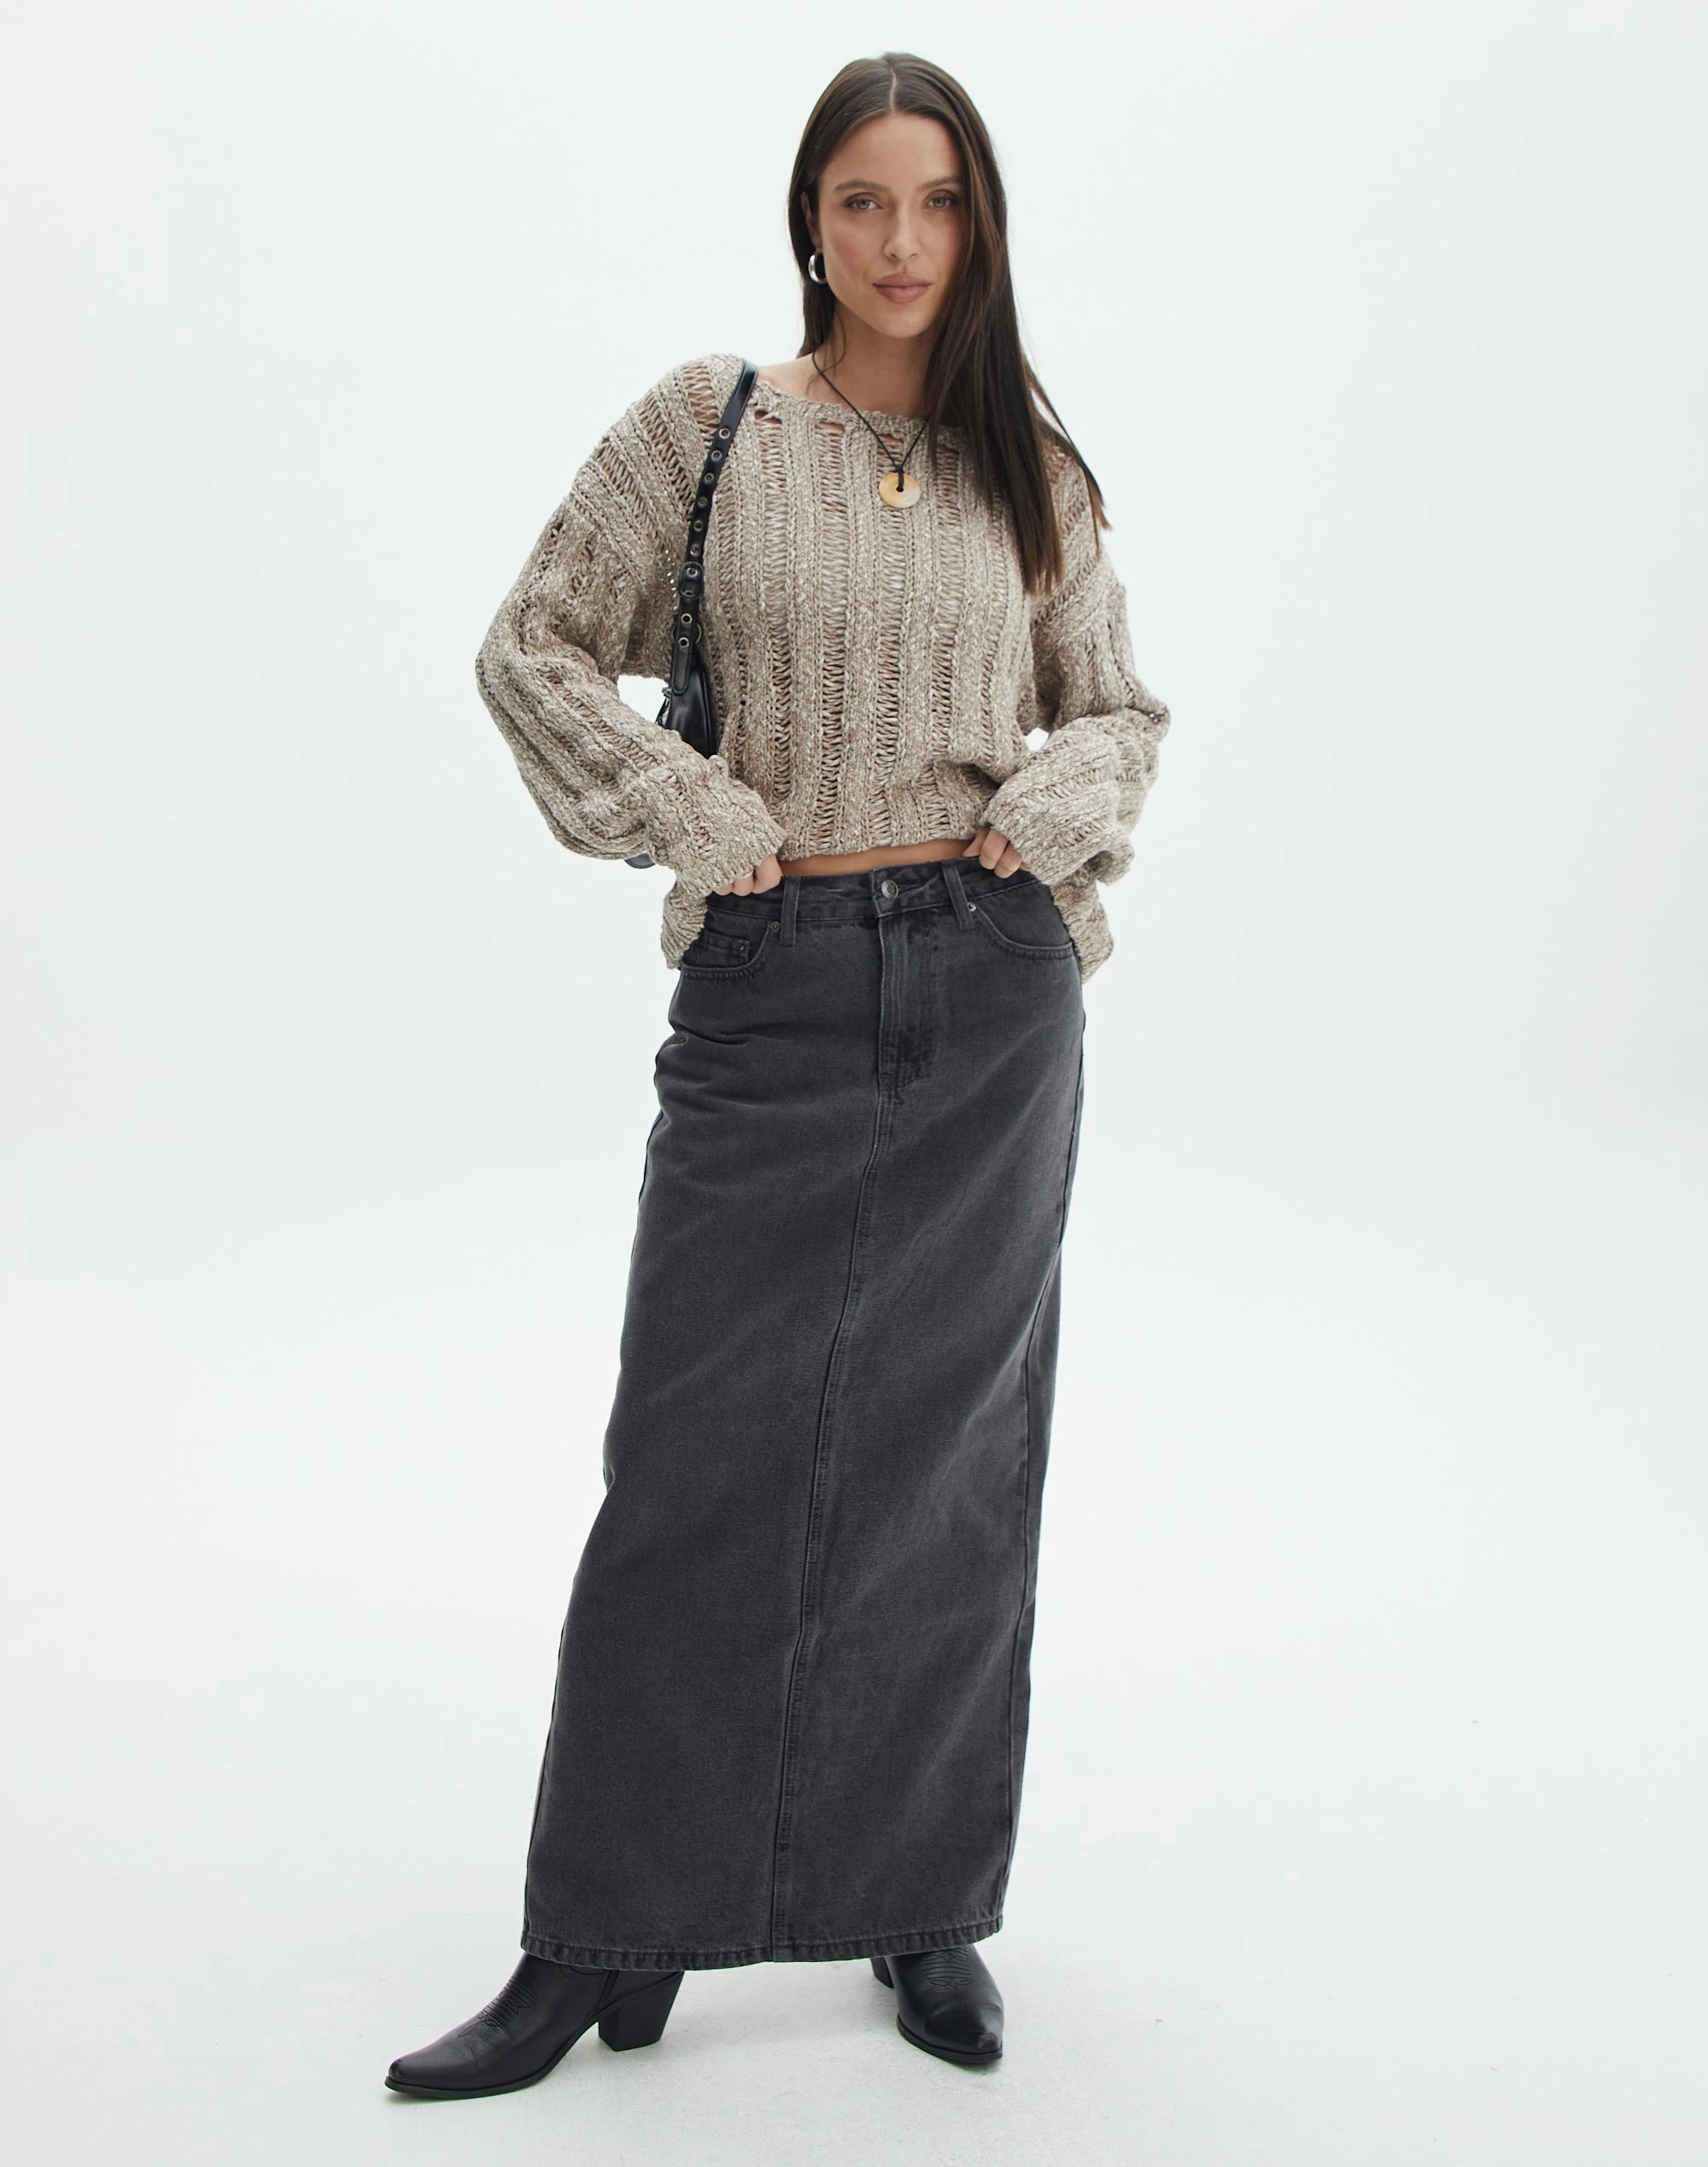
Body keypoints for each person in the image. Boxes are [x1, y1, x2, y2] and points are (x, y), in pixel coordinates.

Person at [385, 49, 1171, 2099]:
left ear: (980, 224)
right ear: (807, 220)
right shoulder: (710, 424)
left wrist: (1051, 806)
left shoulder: (1032, 463)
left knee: (947, 1465)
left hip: (991, 995)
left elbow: (1120, 712)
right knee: (691, 1461)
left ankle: (919, 1902)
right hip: (774, 981)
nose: (903, 242)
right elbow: (532, 646)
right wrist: (687, 806)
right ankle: (602, 1934)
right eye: (861, 200)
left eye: (938, 201)